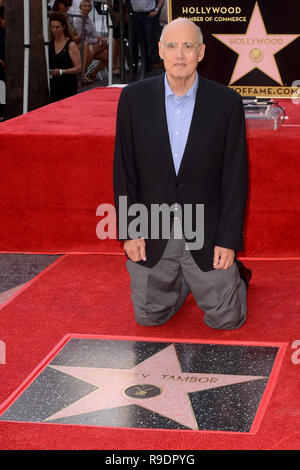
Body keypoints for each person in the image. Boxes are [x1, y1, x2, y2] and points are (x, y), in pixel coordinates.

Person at [113, 18, 251, 329]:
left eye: (188, 46)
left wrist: (227, 240)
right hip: (153, 225)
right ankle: (186, 282)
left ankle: (236, 278)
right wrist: (130, 230)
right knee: (149, 318)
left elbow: (235, 177)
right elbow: (125, 170)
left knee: (227, 321)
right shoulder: (133, 99)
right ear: (160, 50)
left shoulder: (226, 102)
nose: (180, 54)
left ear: (201, 52)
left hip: (206, 227)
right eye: (172, 46)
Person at [73, 0, 108, 84]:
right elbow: (81, 38)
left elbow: (94, 33)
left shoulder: (87, 18)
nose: (87, 8)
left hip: (90, 44)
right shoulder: (79, 19)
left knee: (108, 57)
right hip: (82, 45)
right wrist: (97, 40)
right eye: (84, 6)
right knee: (91, 50)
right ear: (81, 7)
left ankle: (92, 74)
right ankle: (82, 75)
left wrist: (100, 38)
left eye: (88, 6)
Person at [49, 12, 81, 102]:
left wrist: (61, 72)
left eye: (57, 27)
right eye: (52, 27)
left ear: (63, 27)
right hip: (53, 85)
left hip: (68, 85)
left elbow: (78, 68)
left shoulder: (71, 45)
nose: (54, 30)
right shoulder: (50, 44)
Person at [130, 0, 164, 75]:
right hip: (134, 14)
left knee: (148, 42)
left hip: (147, 15)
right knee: (133, 42)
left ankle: (146, 66)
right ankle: (134, 68)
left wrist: (156, 10)